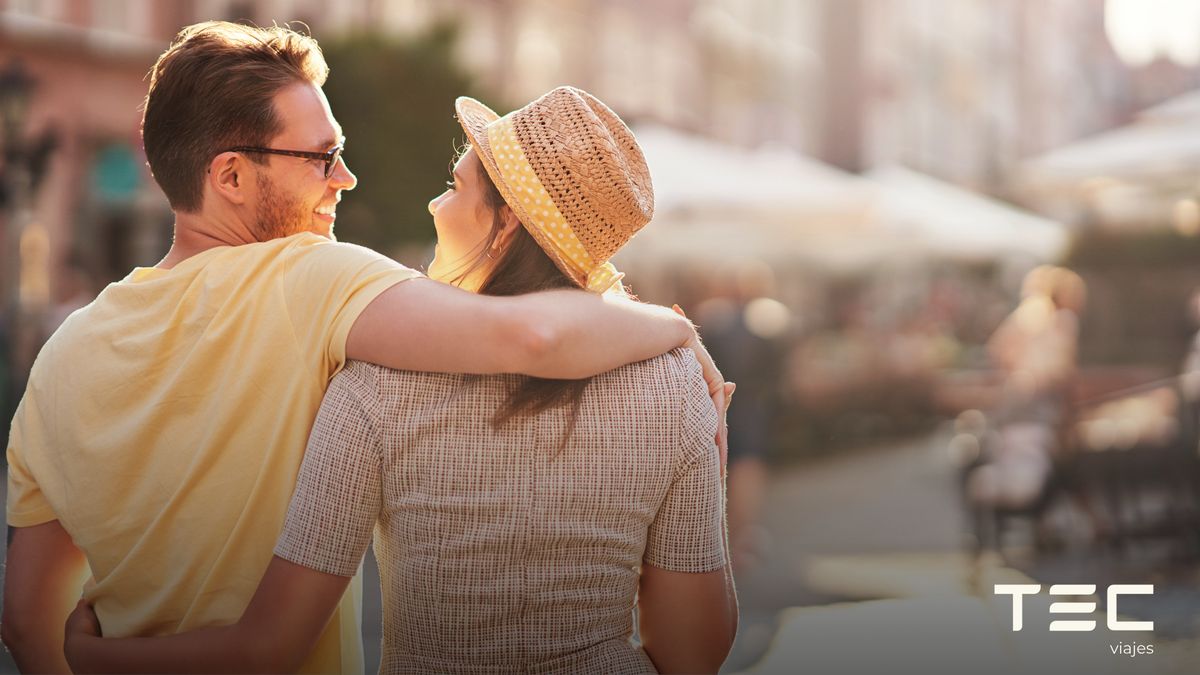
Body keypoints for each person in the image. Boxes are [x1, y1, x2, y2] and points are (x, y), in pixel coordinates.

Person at [2, 24, 726, 675]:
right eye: (323, 158)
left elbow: (27, 621)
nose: (345, 178)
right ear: (229, 175)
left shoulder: (63, 354)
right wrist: (675, 331)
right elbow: (532, 335)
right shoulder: (316, 279)